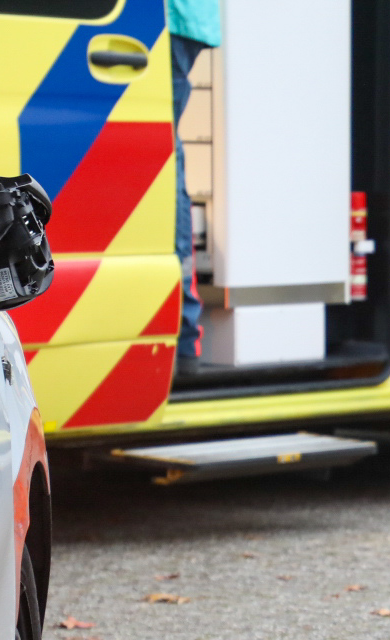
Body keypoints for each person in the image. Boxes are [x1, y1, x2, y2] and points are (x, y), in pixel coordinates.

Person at [168, 0, 219, 374]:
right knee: (165, 158)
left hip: (170, 15)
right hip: (177, 17)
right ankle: (183, 333)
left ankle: (183, 333)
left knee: (163, 160)